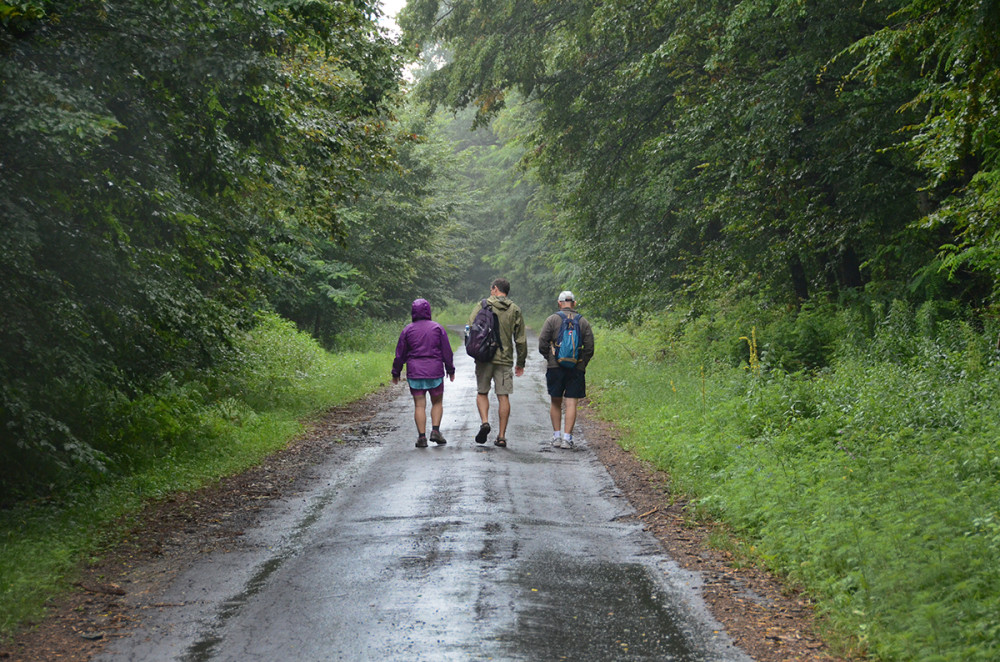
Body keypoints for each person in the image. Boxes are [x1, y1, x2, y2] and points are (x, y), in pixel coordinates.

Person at [469, 278, 527, 448]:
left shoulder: (482, 305)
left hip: (484, 357)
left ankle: (485, 422)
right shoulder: (515, 309)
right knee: (503, 396)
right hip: (504, 359)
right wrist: (520, 362)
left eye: (491, 289)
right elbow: (521, 340)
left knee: (482, 392)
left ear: (495, 289)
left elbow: (471, 325)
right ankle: (501, 436)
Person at [392, 298, 456, 448]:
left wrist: (396, 372)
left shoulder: (407, 330)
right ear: (428, 311)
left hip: (415, 372)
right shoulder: (437, 328)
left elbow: (400, 354)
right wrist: (450, 369)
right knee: (437, 402)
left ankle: (422, 437)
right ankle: (435, 431)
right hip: (434, 371)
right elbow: (447, 351)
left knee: (419, 405)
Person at [538, 290, 595, 449]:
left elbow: (542, 343)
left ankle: (556, 437)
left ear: (559, 303)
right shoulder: (583, 322)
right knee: (571, 403)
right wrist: (581, 363)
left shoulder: (552, 320)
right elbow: (590, 347)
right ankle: (567, 438)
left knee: (556, 402)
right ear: (574, 303)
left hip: (555, 367)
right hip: (576, 368)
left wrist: (550, 358)